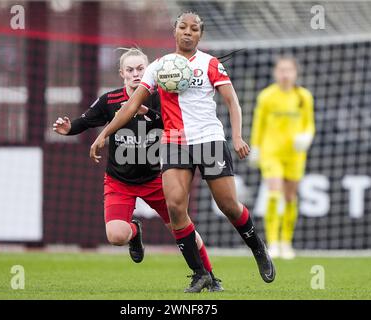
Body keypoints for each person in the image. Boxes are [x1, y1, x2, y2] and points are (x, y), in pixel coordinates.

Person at [89, 13, 275, 293]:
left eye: (194, 29)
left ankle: (257, 248)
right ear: (174, 31)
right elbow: (130, 106)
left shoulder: (209, 63)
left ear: (200, 34)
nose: (188, 33)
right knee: (176, 208)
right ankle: (200, 274)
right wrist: (104, 133)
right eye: (183, 27)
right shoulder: (158, 67)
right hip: (175, 143)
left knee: (229, 206)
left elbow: (232, 101)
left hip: (210, 141)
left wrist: (236, 136)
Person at [53, 47, 223, 292]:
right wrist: (69, 128)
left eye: (140, 69)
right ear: (122, 73)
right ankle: (135, 232)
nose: (135, 74)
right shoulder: (110, 100)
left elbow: (178, 125)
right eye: (130, 70)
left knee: (183, 228)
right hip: (119, 181)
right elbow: (85, 120)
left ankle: (210, 276)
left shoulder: (162, 98)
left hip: (156, 179)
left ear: (150, 71)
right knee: (116, 236)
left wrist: (151, 114)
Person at [248, 57, 315, 259]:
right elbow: (258, 123)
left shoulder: (303, 97)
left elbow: (309, 124)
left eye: (289, 70)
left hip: (295, 155)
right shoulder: (267, 96)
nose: (285, 74)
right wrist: (256, 148)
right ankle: (273, 242)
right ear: (275, 73)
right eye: (281, 70)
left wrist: (307, 137)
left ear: (296, 73)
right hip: (271, 152)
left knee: (290, 197)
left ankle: (286, 242)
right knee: (274, 193)